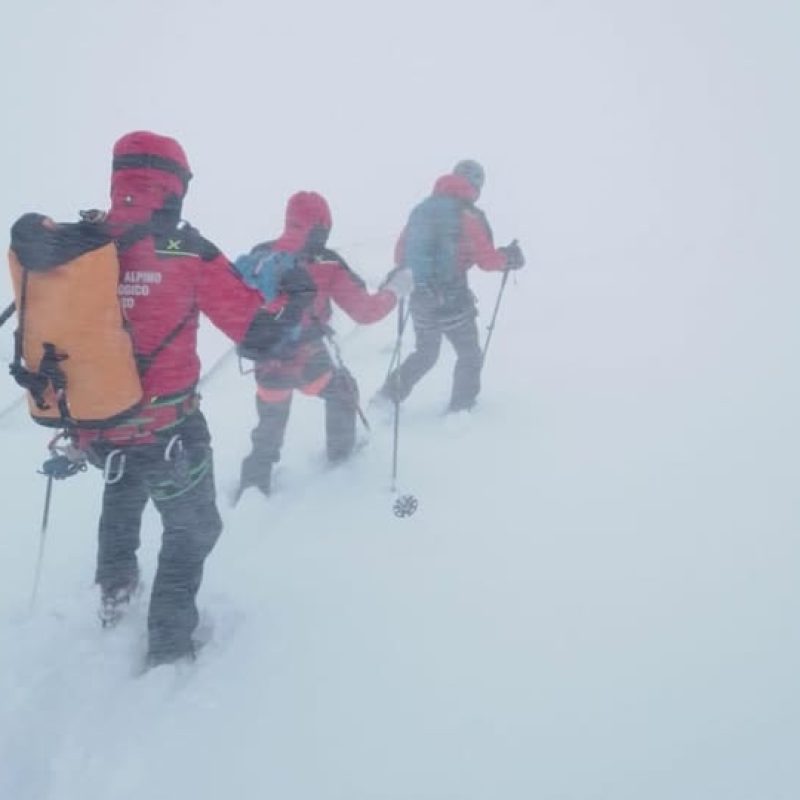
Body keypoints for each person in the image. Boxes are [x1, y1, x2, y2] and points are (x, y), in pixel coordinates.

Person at [77, 131, 314, 667]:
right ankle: (168, 642)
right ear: (174, 184)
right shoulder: (185, 250)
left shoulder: (86, 240)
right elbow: (258, 336)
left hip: (98, 424)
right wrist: (296, 302)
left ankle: (114, 593)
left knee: (123, 488)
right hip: (168, 429)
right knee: (194, 527)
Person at [236, 190, 412, 499]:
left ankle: (253, 484)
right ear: (323, 225)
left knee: (270, 424)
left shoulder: (261, 254)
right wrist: (395, 290)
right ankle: (341, 460)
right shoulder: (328, 262)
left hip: (266, 360)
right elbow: (365, 311)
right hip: (308, 359)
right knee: (343, 392)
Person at [376, 160, 524, 413]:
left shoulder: (422, 210)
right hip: (452, 297)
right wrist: (508, 258)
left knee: (426, 352)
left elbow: (400, 255)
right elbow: (487, 261)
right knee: (469, 354)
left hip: (420, 296)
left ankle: (387, 397)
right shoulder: (467, 214)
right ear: (476, 186)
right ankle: (461, 409)